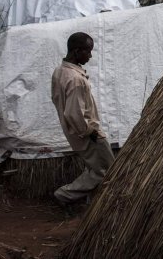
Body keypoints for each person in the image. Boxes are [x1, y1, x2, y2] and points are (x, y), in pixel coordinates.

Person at [50, 32, 113, 206]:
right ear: (77, 51)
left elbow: (58, 101)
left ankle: (89, 200)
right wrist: (90, 132)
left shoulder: (59, 71)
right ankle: (64, 195)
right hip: (86, 134)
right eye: (88, 51)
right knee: (106, 170)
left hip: (74, 132)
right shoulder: (76, 79)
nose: (90, 56)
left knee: (95, 167)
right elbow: (74, 113)